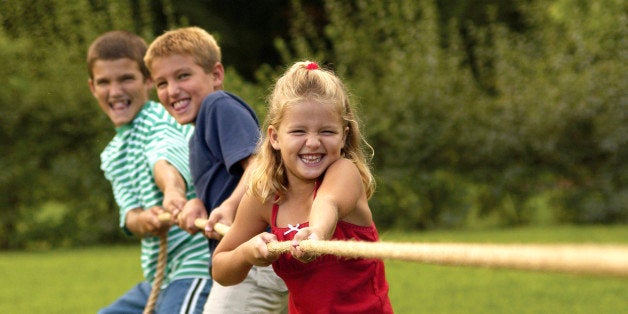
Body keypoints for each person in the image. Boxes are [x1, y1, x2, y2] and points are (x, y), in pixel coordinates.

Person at [211, 61, 394, 313]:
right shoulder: (266, 197)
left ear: (343, 136)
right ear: (275, 137)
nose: (312, 142)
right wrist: (246, 254)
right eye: (298, 131)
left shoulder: (344, 173)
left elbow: (327, 202)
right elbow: (220, 268)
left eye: (327, 131)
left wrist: (316, 234)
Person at [144, 26, 288, 313]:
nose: (172, 90)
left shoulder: (217, 105)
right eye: (161, 83)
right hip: (249, 261)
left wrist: (230, 205)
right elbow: (229, 180)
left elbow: (261, 166)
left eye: (183, 75)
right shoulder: (199, 132)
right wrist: (200, 203)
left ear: (216, 74)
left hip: (253, 261)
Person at [87, 30, 211, 314]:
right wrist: (145, 220)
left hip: (195, 266)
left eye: (126, 79)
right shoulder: (113, 154)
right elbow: (130, 215)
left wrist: (172, 191)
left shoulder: (158, 118)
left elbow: (164, 156)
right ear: (93, 87)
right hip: (161, 276)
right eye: (104, 82)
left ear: (147, 82)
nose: (115, 91)